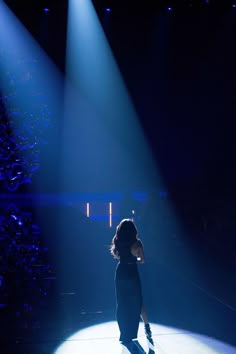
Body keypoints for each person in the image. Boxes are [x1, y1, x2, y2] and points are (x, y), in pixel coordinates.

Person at [110, 219, 154, 353]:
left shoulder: (118, 240)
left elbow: (117, 255)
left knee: (122, 302)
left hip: (121, 271)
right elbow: (142, 260)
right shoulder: (137, 243)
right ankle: (147, 327)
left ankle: (124, 333)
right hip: (132, 272)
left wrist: (126, 256)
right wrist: (134, 258)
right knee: (137, 302)